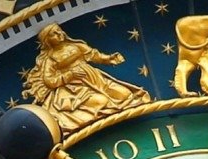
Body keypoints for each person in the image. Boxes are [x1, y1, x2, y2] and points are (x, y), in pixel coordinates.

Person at [22, 23, 150, 133]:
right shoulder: (50, 59)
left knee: (125, 94)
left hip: (97, 80)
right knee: (102, 101)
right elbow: (49, 81)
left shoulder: (76, 46)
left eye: (59, 31)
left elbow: (94, 55)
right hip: (74, 90)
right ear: (47, 41)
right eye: (53, 34)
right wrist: (69, 75)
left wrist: (109, 59)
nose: (59, 34)